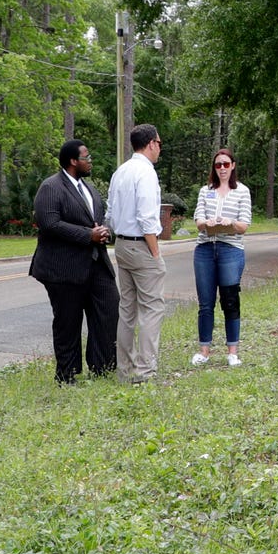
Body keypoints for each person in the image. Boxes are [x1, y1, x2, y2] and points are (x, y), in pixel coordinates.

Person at [27, 139, 118, 383]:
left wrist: (103, 231)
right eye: (86, 157)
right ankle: (66, 375)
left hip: (96, 264)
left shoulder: (88, 188)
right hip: (63, 268)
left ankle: (102, 367)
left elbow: (97, 219)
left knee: (108, 310)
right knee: (68, 322)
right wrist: (87, 235)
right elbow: (50, 224)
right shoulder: (51, 187)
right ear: (73, 161)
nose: (90, 161)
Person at [105, 123, 168, 385]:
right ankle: (145, 372)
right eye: (160, 144)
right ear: (152, 143)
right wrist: (155, 254)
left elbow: (109, 213)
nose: (159, 149)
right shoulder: (145, 172)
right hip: (142, 245)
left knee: (127, 309)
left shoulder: (121, 172)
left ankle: (125, 371)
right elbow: (146, 217)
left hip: (121, 244)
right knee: (153, 308)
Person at [191, 148, 252, 367]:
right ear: (214, 168)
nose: (223, 169)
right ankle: (204, 350)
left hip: (230, 250)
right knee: (205, 303)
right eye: (218, 165)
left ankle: (232, 351)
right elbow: (198, 220)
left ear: (233, 166)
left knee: (230, 300)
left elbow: (244, 225)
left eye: (226, 164)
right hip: (205, 249)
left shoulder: (242, 191)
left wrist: (230, 224)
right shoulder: (205, 190)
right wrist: (207, 223)